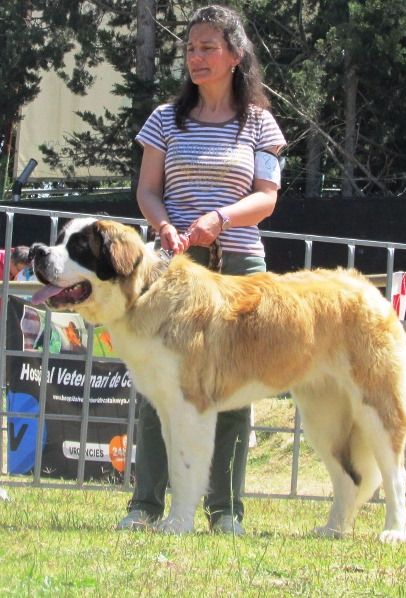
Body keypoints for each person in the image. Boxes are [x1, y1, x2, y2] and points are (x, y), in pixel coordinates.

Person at [117, 4, 286, 535]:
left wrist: (220, 218)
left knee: (233, 388)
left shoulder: (261, 122)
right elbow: (147, 188)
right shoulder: (164, 118)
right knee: (157, 385)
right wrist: (164, 225)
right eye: (191, 48)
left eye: (208, 47)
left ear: (236, 56)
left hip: (238, 268)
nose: (196, 57)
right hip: (172, 270)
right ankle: (145, 505)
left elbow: (267, 198)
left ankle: (226, 511)